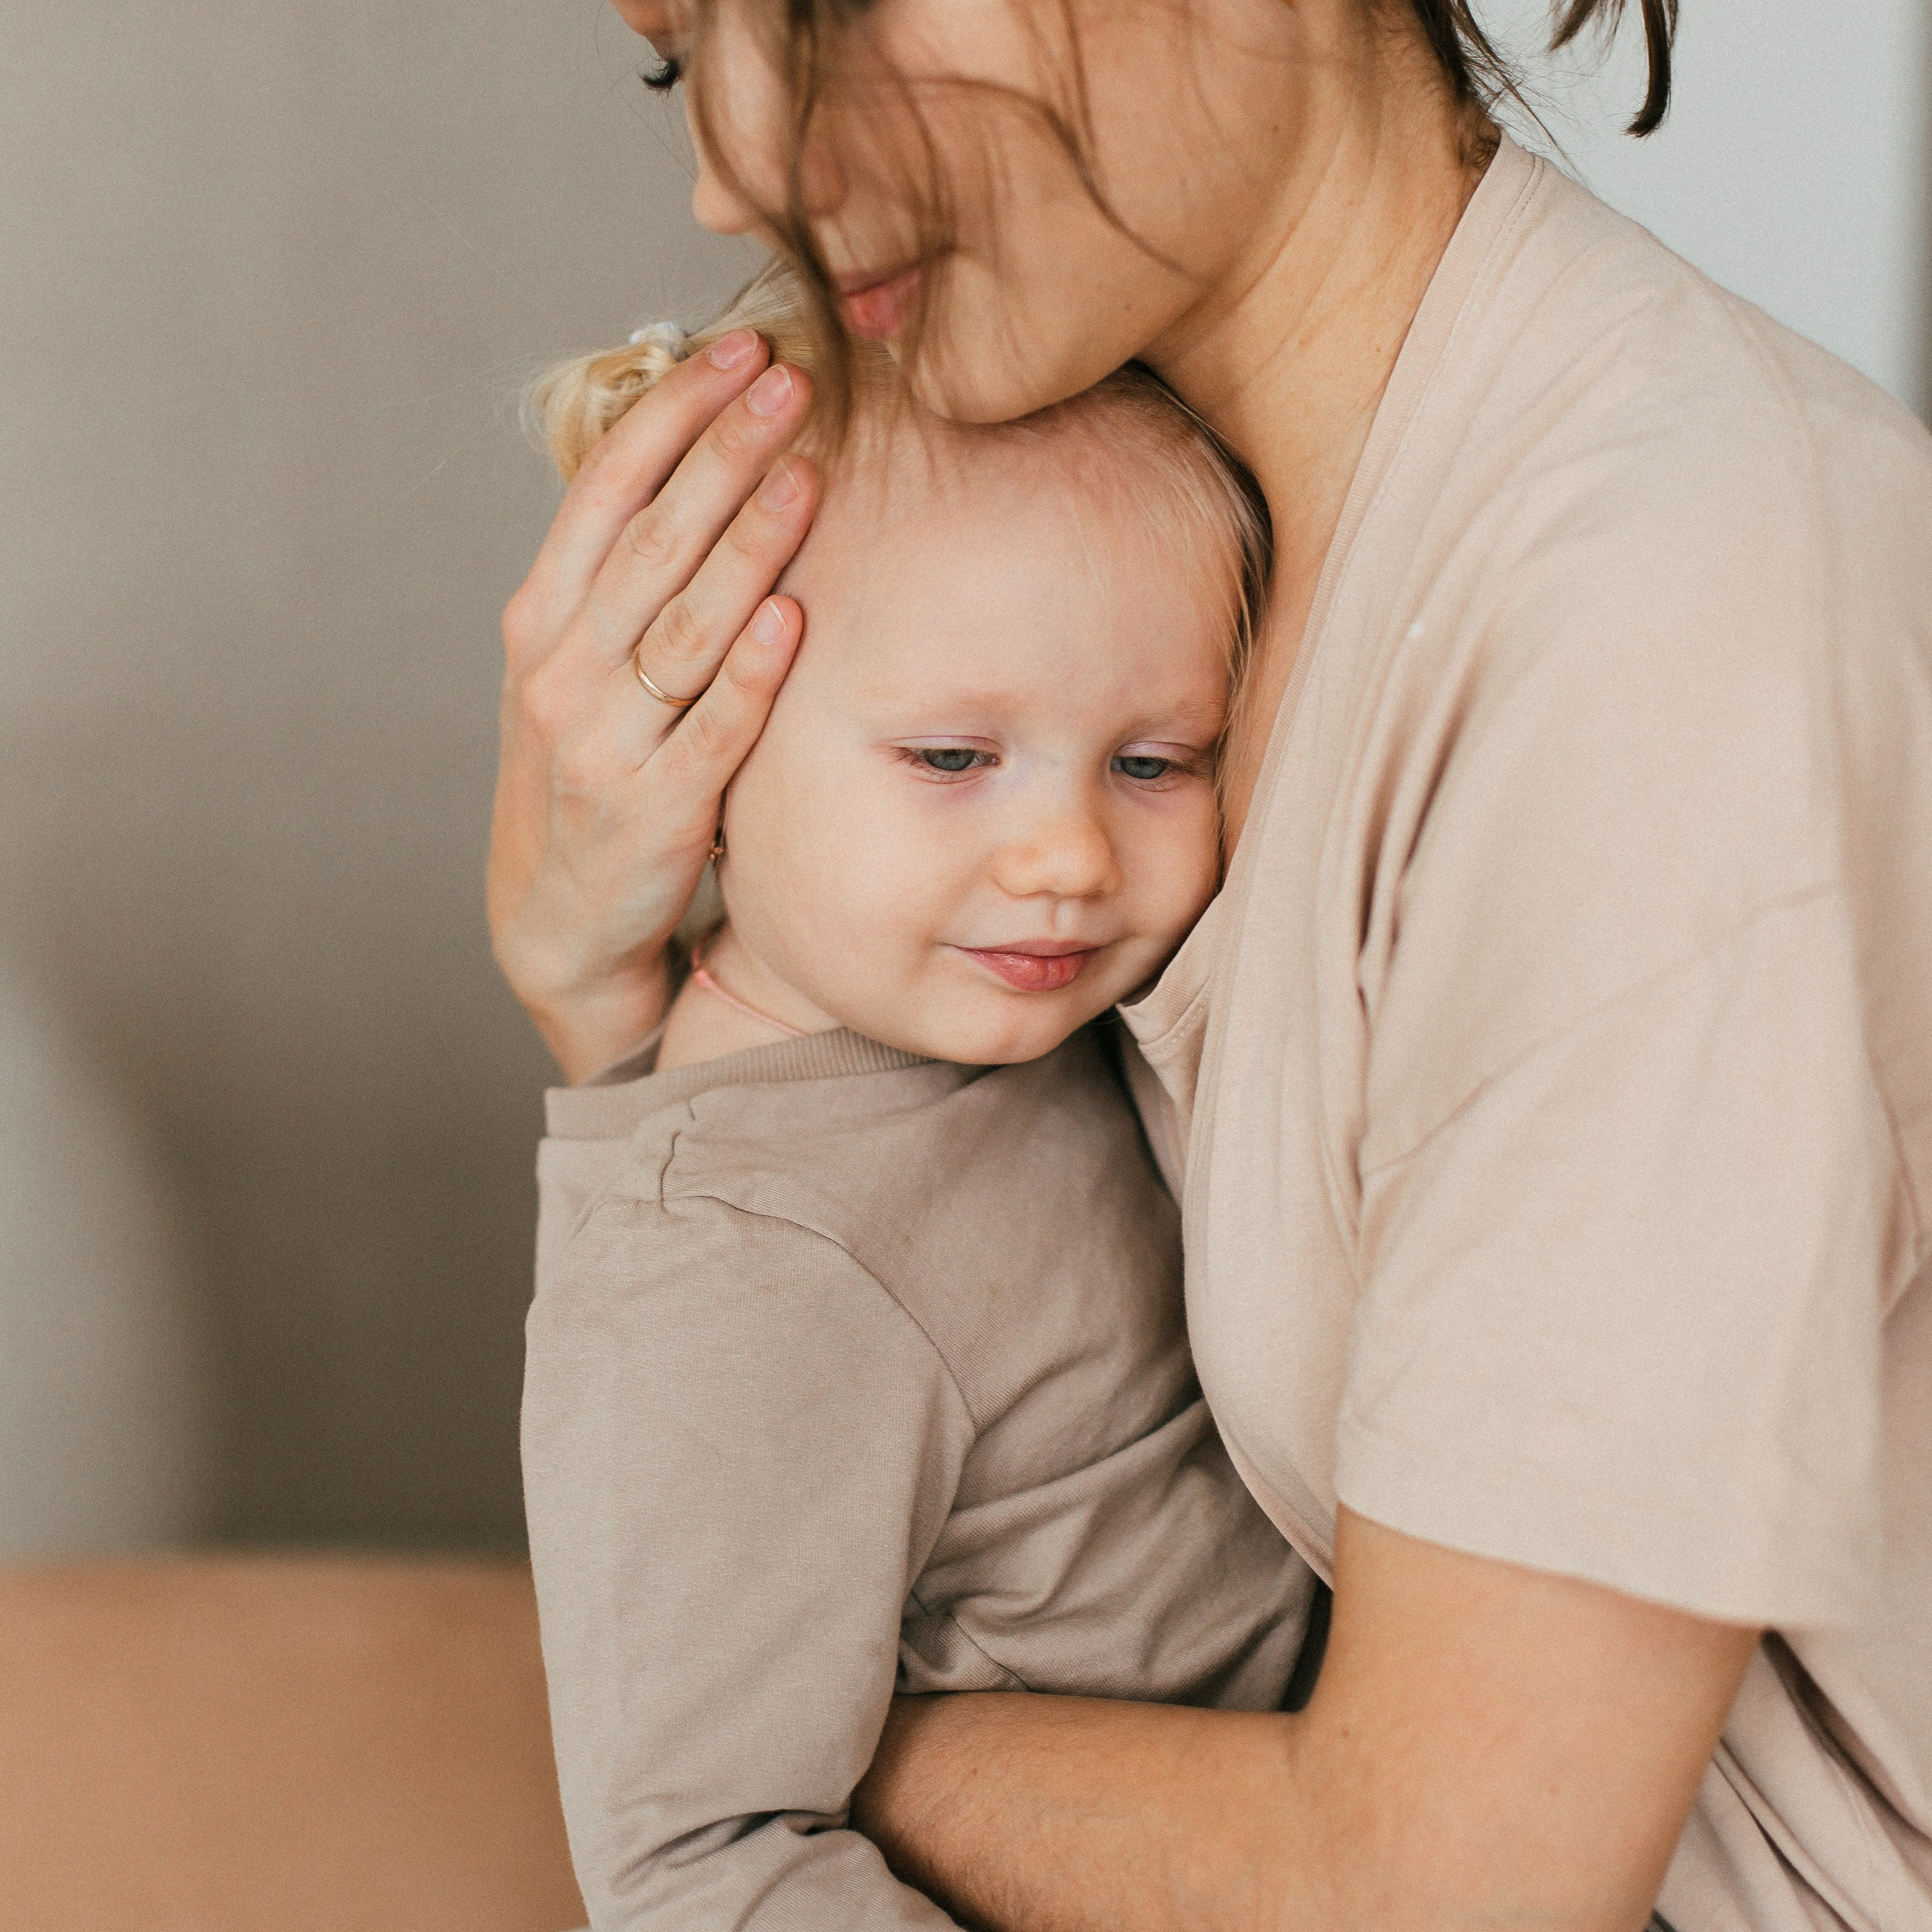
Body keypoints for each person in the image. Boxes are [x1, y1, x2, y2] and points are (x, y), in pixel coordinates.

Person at [487, 2, 1932, 1927]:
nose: (730, 164)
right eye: (678, 57)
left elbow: (1441, 1885)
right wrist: (613, 997)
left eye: (796, 6)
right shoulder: (1159, 545)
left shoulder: (1655, 626)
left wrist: (781, 1751)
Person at [520, 269, 1310, 1930]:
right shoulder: (729, 1267)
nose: (1068, 857)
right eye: (952, 758)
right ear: (702, 748)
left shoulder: (1019, 1014)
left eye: (1153, 759)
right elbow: (694, 1862)